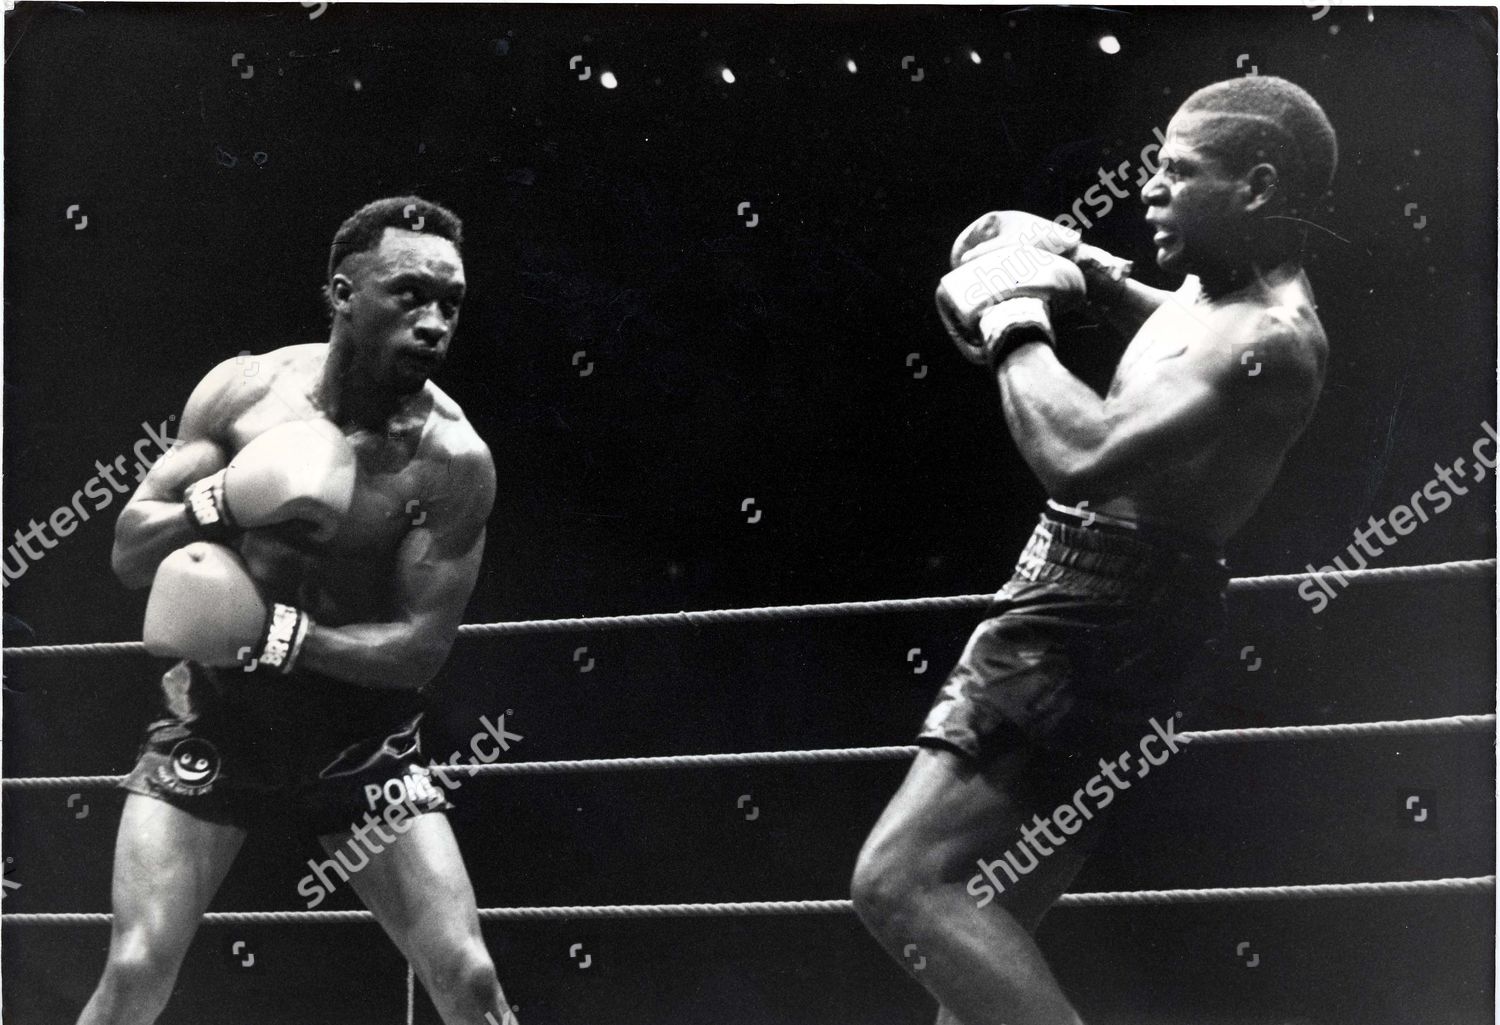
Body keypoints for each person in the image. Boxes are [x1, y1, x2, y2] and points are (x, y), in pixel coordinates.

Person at [851, 76, 1338, 1025]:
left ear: (1258, 186)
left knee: (900, 884)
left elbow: (1081, 458)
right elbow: (1180, 327)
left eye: (1179, 172)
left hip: (1096, 615)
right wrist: (1092, 267)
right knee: (981, 927)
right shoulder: (1226, 295)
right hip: (1125, 612)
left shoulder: (1274, 337)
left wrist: (1015, 320)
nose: (1149, 187)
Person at [78, 196, 516, 1025]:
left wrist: (278, 635)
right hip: (216, 719)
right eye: (410, 293)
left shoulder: (451, 460)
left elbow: (420, 650)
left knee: (469, 977)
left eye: (450, 304)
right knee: (134, 967)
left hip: (360, 743)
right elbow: (131, 553)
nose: (434, 322)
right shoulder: (243, 395)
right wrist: (225, 500)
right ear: (345, 292)